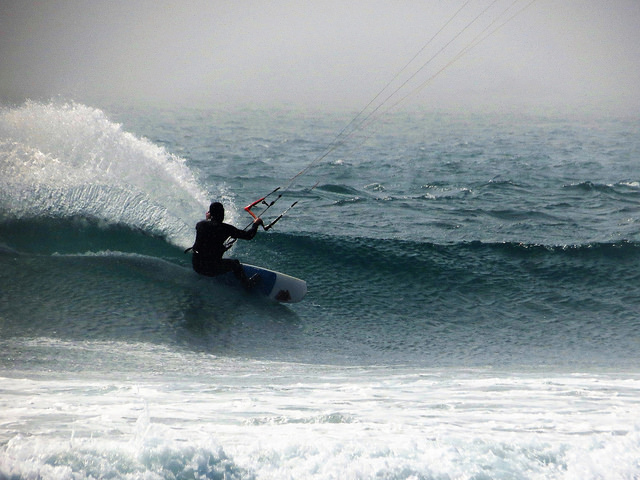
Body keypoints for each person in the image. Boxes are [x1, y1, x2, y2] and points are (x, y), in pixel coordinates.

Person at [190, 201, 263, 288]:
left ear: (210, 214)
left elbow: (209, 232)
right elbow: (248, 236)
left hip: (197, 266)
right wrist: (255, 224)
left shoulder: (200, 225)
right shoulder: (226, 229)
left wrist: (208, 219)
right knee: (235, 263)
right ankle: (247, 284)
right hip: (210, 270)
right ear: (222, 214)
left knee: (213, 249)